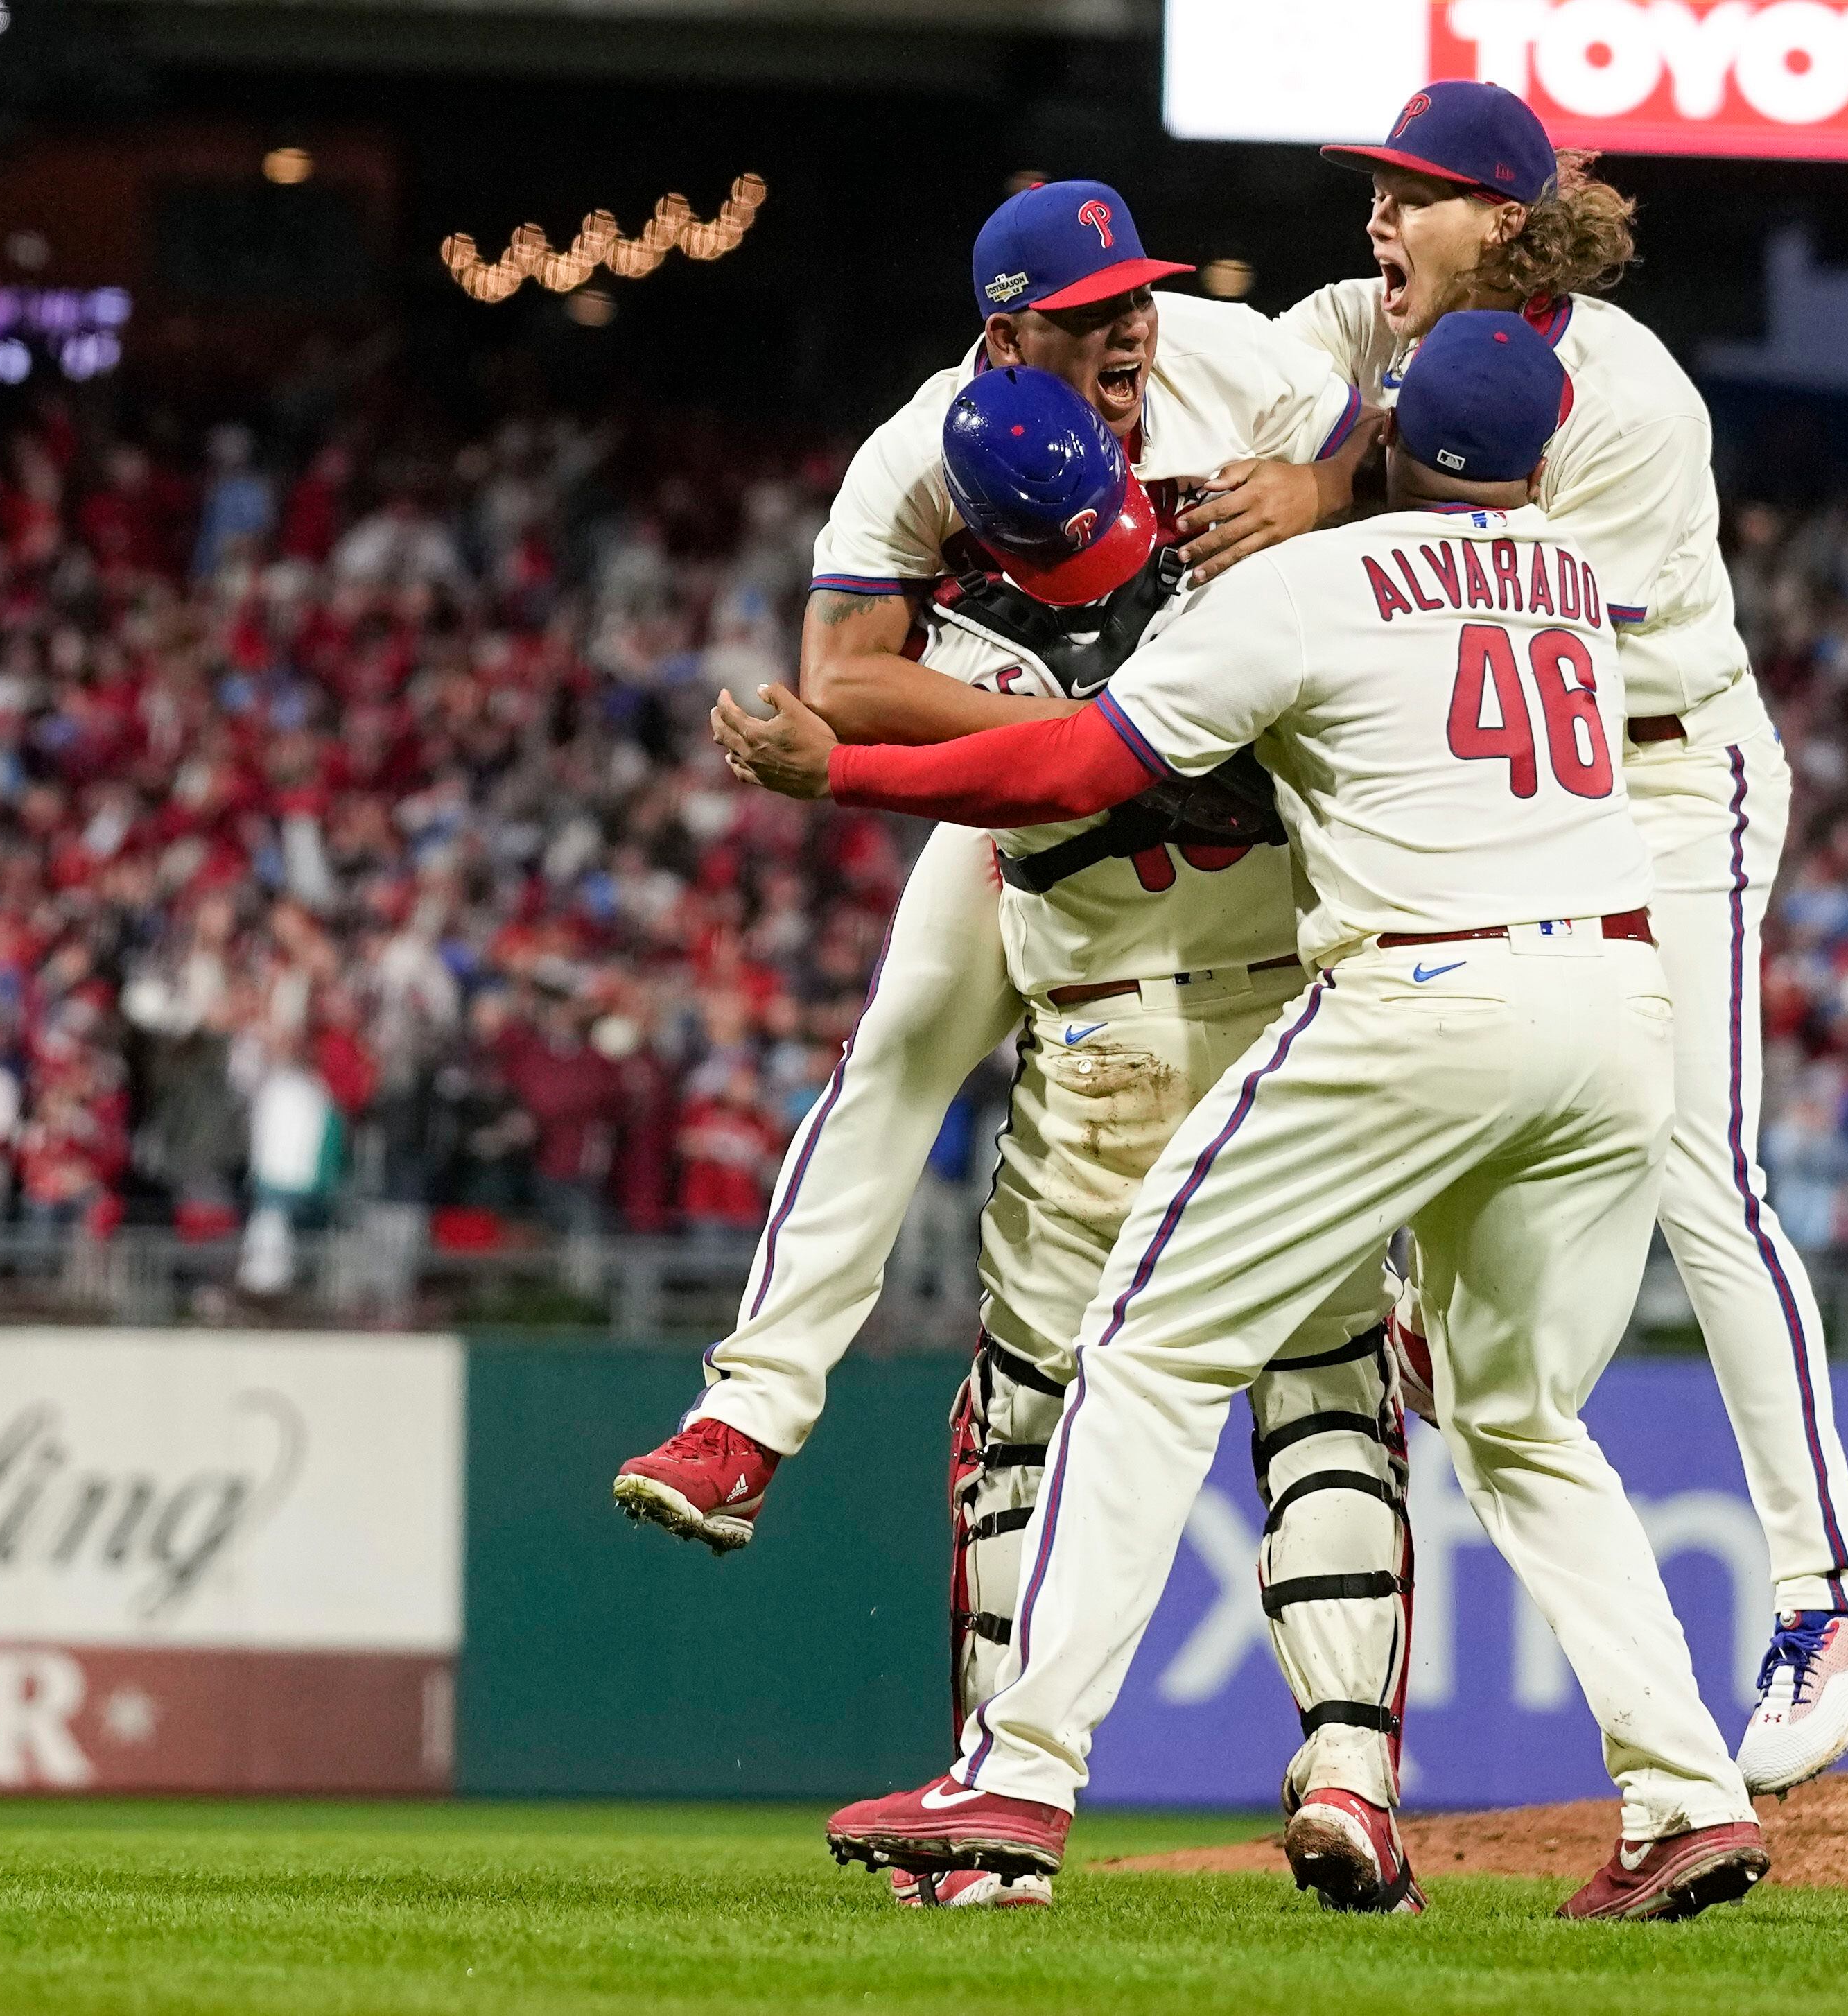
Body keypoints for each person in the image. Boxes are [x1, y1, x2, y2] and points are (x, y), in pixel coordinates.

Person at [756, 312, 1768, 1924]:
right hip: (1616, 1017)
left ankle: (1020, 1766)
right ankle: (1686, 1791)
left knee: (1144, 1350)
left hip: (1428, 1001)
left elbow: (1079, 758)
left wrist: (851, 766)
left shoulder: (1313, 580)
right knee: (1515, 1416)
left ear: (1385, 446)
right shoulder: (1576, 578)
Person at [625, 363, 1420, 1915]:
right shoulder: (1267, 582)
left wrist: (844, 767)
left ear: (983, 540)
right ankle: (1349, 1770)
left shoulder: (974, 651)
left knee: (1025, 1423)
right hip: (1291, 1032)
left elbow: (1012, 754)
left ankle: (998, 1808)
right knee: (1324, 1394)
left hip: (1107, 1044)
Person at [1234, 78, 1848, 1794]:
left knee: (1697, 1164)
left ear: (1507, 227)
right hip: (1529, 787)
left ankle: (1831, 1595)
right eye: (1373, 193)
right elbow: (1195, 346)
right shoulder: (1365, 323)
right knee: (1441, 1094)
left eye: (1412, 198)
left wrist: (1324, 495)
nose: (1377, 223)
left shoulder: (1624, 398)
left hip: (1671, 777)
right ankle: (1438, 1319)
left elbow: (1478, 617)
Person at [617, 176, 1379, 1530]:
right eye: (1091, 313)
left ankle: (1427, 1305)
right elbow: (841, 675)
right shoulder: (921, 447)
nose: (1130, 326)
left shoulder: (1229, 355)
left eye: (1133, 293)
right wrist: (1068, 735)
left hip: (1246, 773)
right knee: (904, 1040)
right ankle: (746, 1415)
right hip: (1039, 775)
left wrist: (1319, 485)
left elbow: (1382, 452)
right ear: (1010, 334)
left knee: (1413, 967)